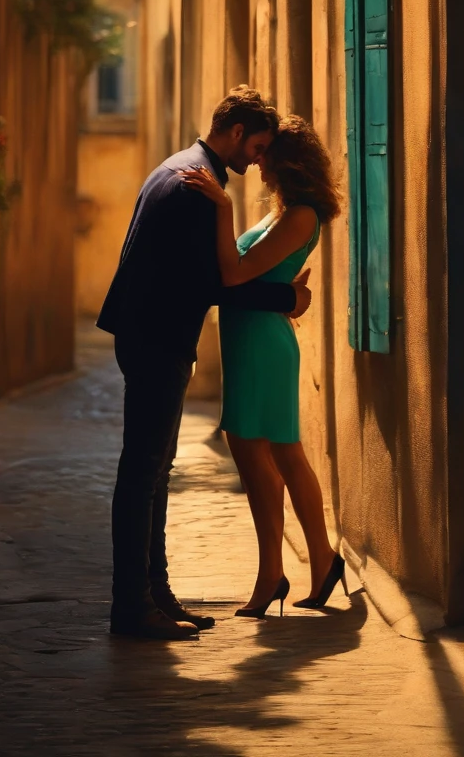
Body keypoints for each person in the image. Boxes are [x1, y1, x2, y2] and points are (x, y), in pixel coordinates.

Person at [98, 87, 313, 642]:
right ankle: (133, 606)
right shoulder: (200, 185)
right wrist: (285, 300)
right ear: (237, 134)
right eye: (259, 146)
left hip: (150, 334)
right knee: (142, 473)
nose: (261, 159)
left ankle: (156, 597)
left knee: (154, 471)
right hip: (157, 339)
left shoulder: (182, 167)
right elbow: (213, 282)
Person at [180, 115, 345, 617]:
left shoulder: (300, 217)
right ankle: (317, 562)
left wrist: (224, 206)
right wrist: (288, 295)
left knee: (274, 456)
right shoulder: (283, 213)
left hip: (263, 345)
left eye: (266, 152)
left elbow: (232, 273)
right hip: (250, 338)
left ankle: (279, 572)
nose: (257, 160)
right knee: (270, 455)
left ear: (286, 159)